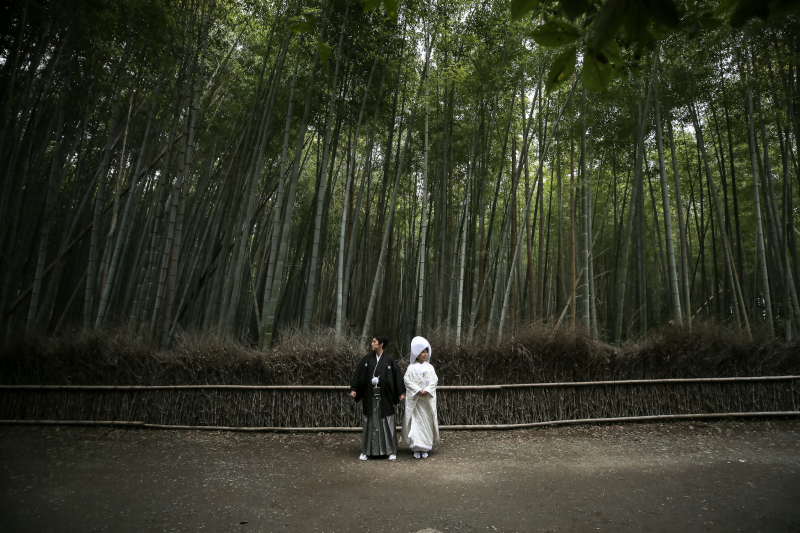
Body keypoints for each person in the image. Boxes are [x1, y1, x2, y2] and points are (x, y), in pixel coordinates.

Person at [350, 334, 405, 461]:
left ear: (381, 344)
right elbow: (359, 374)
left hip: (385, 396)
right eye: (372, 341)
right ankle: (366, 451)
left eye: (374, 341)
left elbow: (397, 376)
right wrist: (354, 389)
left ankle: (390, 451)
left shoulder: (389, 359)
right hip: (370, 395)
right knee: (370, 421)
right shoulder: (366, 360)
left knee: (387, 420)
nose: (372, 343)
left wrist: (401, 392)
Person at [401, 336, 439, 459]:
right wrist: (417, 390)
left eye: (426, 351)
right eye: (422, 352)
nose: (425, 354)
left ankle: (426, 447)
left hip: (426, 400)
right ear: (416, 354)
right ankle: (416, 447)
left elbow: (434, 381)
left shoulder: (430, 368)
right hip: (416, 400)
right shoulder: (411, 368)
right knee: (416, 423)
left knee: (426, 422)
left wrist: (427, 390)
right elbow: (407, 380)